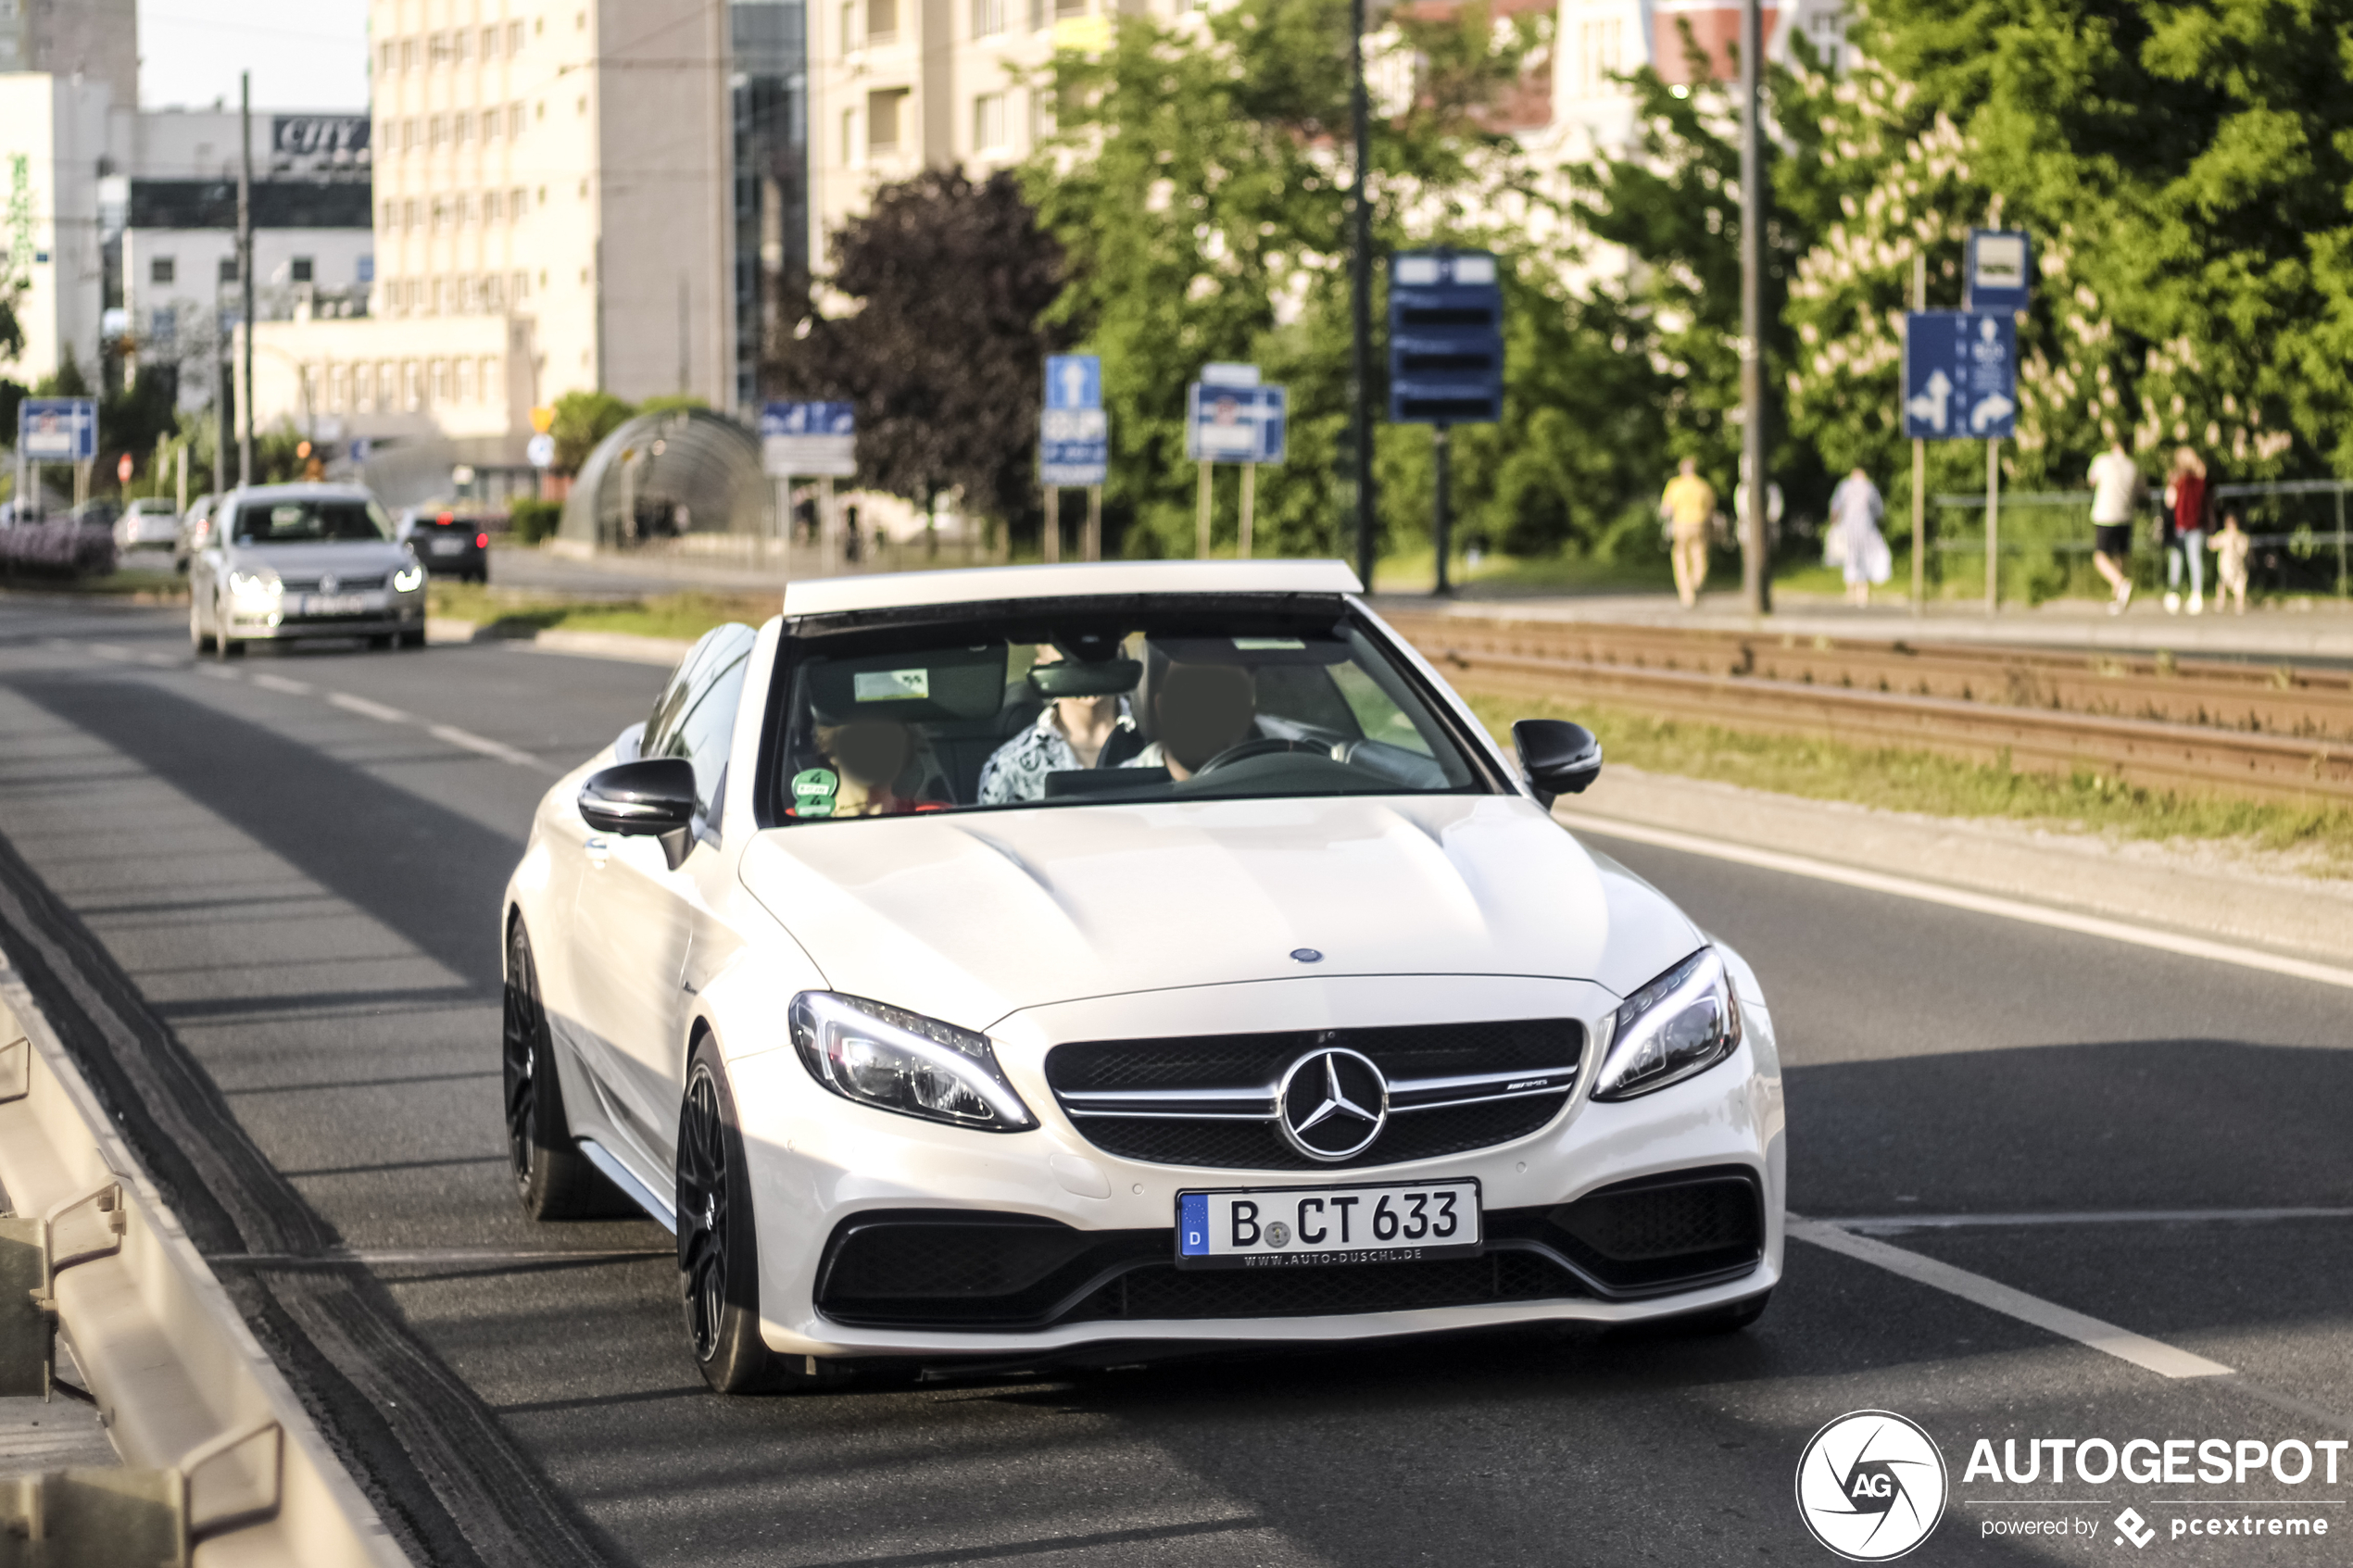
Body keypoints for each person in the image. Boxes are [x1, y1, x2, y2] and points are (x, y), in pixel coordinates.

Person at [977, 646, 1139, 804]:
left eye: (1097, 659)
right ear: (1042, 669)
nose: (1088, 673)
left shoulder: (1156, 745)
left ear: (1119, 656)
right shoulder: (1010, 765)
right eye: (1071, 663)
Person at [2086, 440, 2142, 614]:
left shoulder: (2102, 460)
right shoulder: (2133, 466)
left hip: (2105, 514)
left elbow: (2091, 480)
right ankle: (2118, 600)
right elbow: (2141, 489)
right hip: (2125, 515)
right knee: (2120, 557)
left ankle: (2120, 583)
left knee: (2100, 557)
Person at [1822, 467, 1891, 607]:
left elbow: (1835, 506)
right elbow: (1879, 510)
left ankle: (1851, 592)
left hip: (1848, 528)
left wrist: (1834, 524)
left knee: (1851, 558)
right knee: (1864, 557)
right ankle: (1862, 593)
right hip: (1866, 528)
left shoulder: (1845, 486)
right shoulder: (1869, 487)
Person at [1659, 458, 1717, 609]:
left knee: (1681, 558)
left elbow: (1666, 509)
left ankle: (1687, 595)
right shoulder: (1703, 486)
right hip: (1699, 524)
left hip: (1681, 524)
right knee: (1699, 556)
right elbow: (1711, 509)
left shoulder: (1675, 485)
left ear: (1681, 469)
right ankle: (1697, 581)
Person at [2160, 447, 2209, 616]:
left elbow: (2169, 501)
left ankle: (2174, 592)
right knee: (2194, 558)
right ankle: (2196, 593)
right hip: (2196, 523)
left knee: (2177, 558)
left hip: (2181, 523)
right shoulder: (2200, 479)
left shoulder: (2177, 480)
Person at [2210, 511, 2252, 615]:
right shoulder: (2223, 536)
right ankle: (2220, 605)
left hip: (2238, 569)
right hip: (2225, 568)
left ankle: (2239, 607)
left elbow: (2243, 550)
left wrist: (2235, 543)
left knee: (2240, 587)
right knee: (2221, 585)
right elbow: (2213, 544)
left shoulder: (2241, 537)